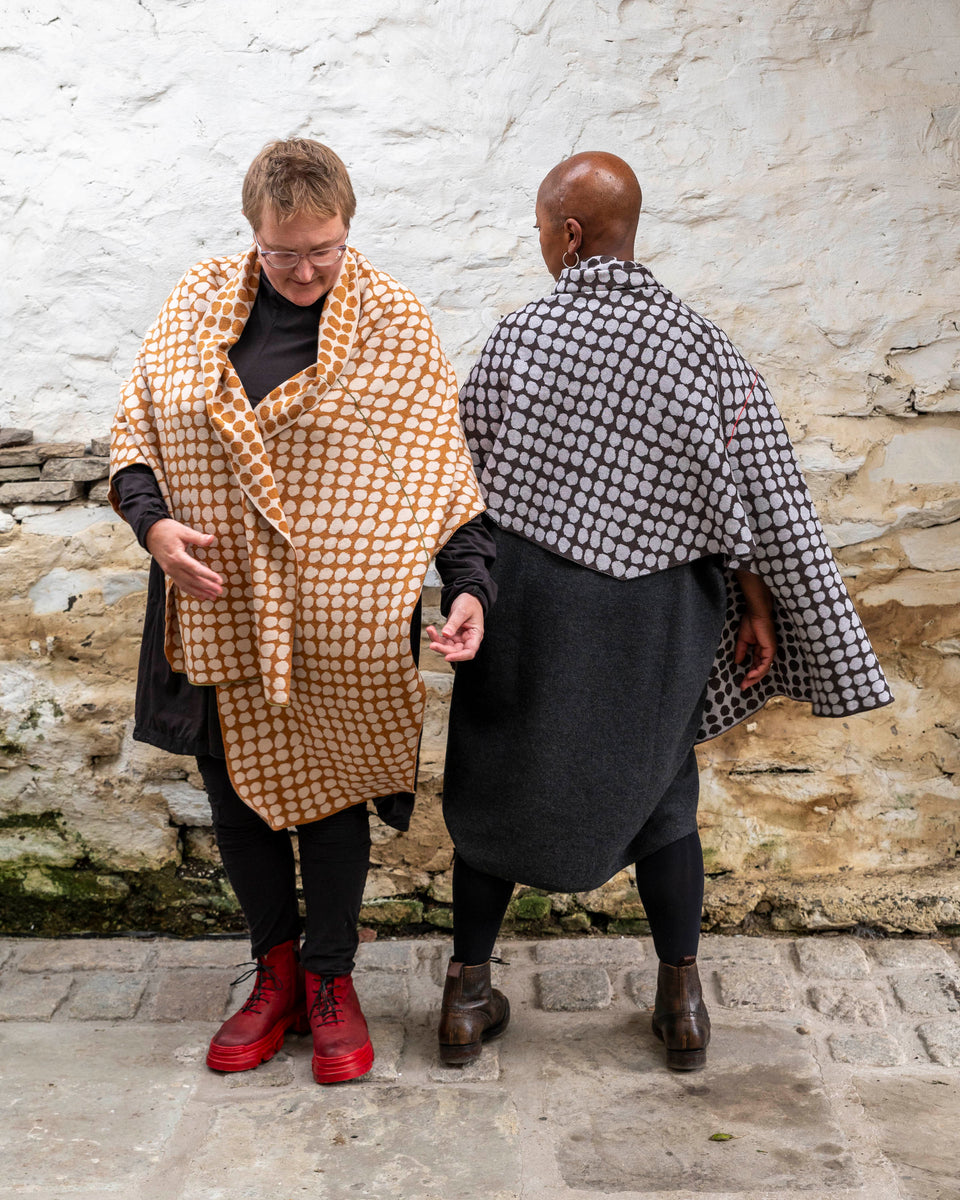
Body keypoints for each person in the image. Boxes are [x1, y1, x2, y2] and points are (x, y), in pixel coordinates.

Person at [431, 152, 892, 1072]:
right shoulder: (703, 346)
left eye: (538, 228)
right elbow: (757, 493)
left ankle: (467, 1001)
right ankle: (682, 1005)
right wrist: (758, 599)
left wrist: (461, 590)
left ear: (567, 232)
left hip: (530, 608)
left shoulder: (519, 339)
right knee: (662, 800)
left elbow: (460, 481)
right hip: (658, 617)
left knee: (496, 787)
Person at [110, 138, 495, 1084]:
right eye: (286, 253)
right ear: (254, 236)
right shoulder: (196, 305)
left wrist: (471, 588)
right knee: (236, 794)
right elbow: (133, 441)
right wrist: (155, 530)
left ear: (346, 228)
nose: (308, 270)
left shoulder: (393, 325)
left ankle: (331, 980)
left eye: (325, 248)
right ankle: (273, 975)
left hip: (344, 614)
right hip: (216, 600)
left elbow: (437, 477)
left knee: (331, 796)